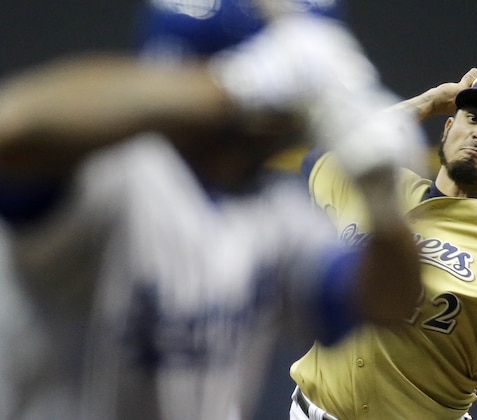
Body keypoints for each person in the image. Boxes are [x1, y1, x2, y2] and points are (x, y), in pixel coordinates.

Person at [0, 1, 426, 419]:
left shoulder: (274, 211)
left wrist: (385, 208)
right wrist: (235, 84)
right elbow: (13, 127)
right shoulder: (111, 175)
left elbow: (385, 303)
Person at [289, 70, 477, 420]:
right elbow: (325, 155)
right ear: (448, 127)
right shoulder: (376, 189)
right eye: (474, 118)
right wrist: (429, 101)